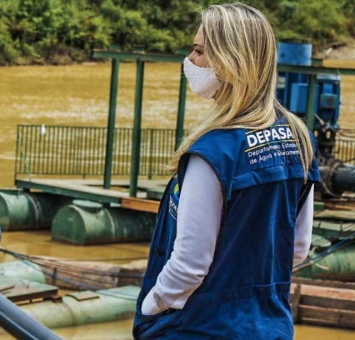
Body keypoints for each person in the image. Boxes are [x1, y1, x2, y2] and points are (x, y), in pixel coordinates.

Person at [133, 3, 320, 340]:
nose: (191, 61)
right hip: (268, 324)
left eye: (199, 51)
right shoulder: (298, 137)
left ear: (231, 62)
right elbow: (298, 247)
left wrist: (151, 306)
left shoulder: (213, 152)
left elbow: (189, 265)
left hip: (198, 327)